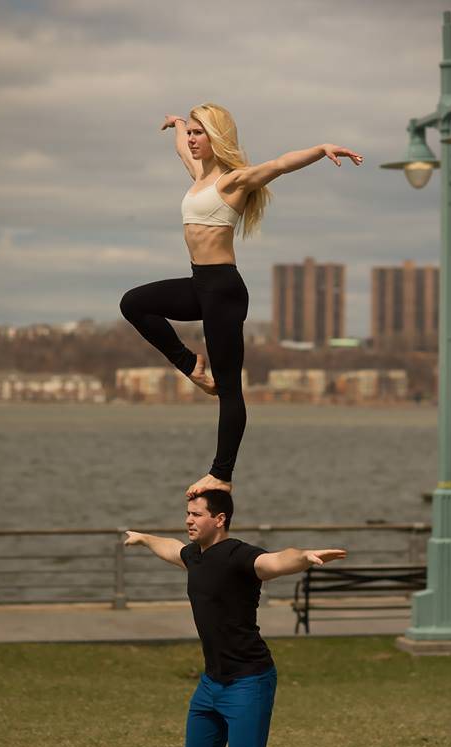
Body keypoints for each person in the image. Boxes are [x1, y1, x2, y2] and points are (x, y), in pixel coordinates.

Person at [119, 102, 363, 499]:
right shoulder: (198, 175)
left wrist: (320, 150)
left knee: (230, 390)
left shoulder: (234, 182)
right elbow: (181, 148)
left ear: (216, 137)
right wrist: (178, 123)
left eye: (201, 133)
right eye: (193, 133)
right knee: (133, 303)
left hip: (223, 291)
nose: (193, 141)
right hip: (199, 284)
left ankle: (221, 474)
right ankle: (191, 366)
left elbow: (280, 164)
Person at [124, 490, 346, 747]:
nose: (188, 520)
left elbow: (274, 561)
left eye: (196, 514)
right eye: (187, 514)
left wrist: (303, 557)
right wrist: (143, 538)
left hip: (249, 680)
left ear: (220, 518)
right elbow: (171, 549)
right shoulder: (195, 556)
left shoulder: (240, 556)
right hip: (211, 682)